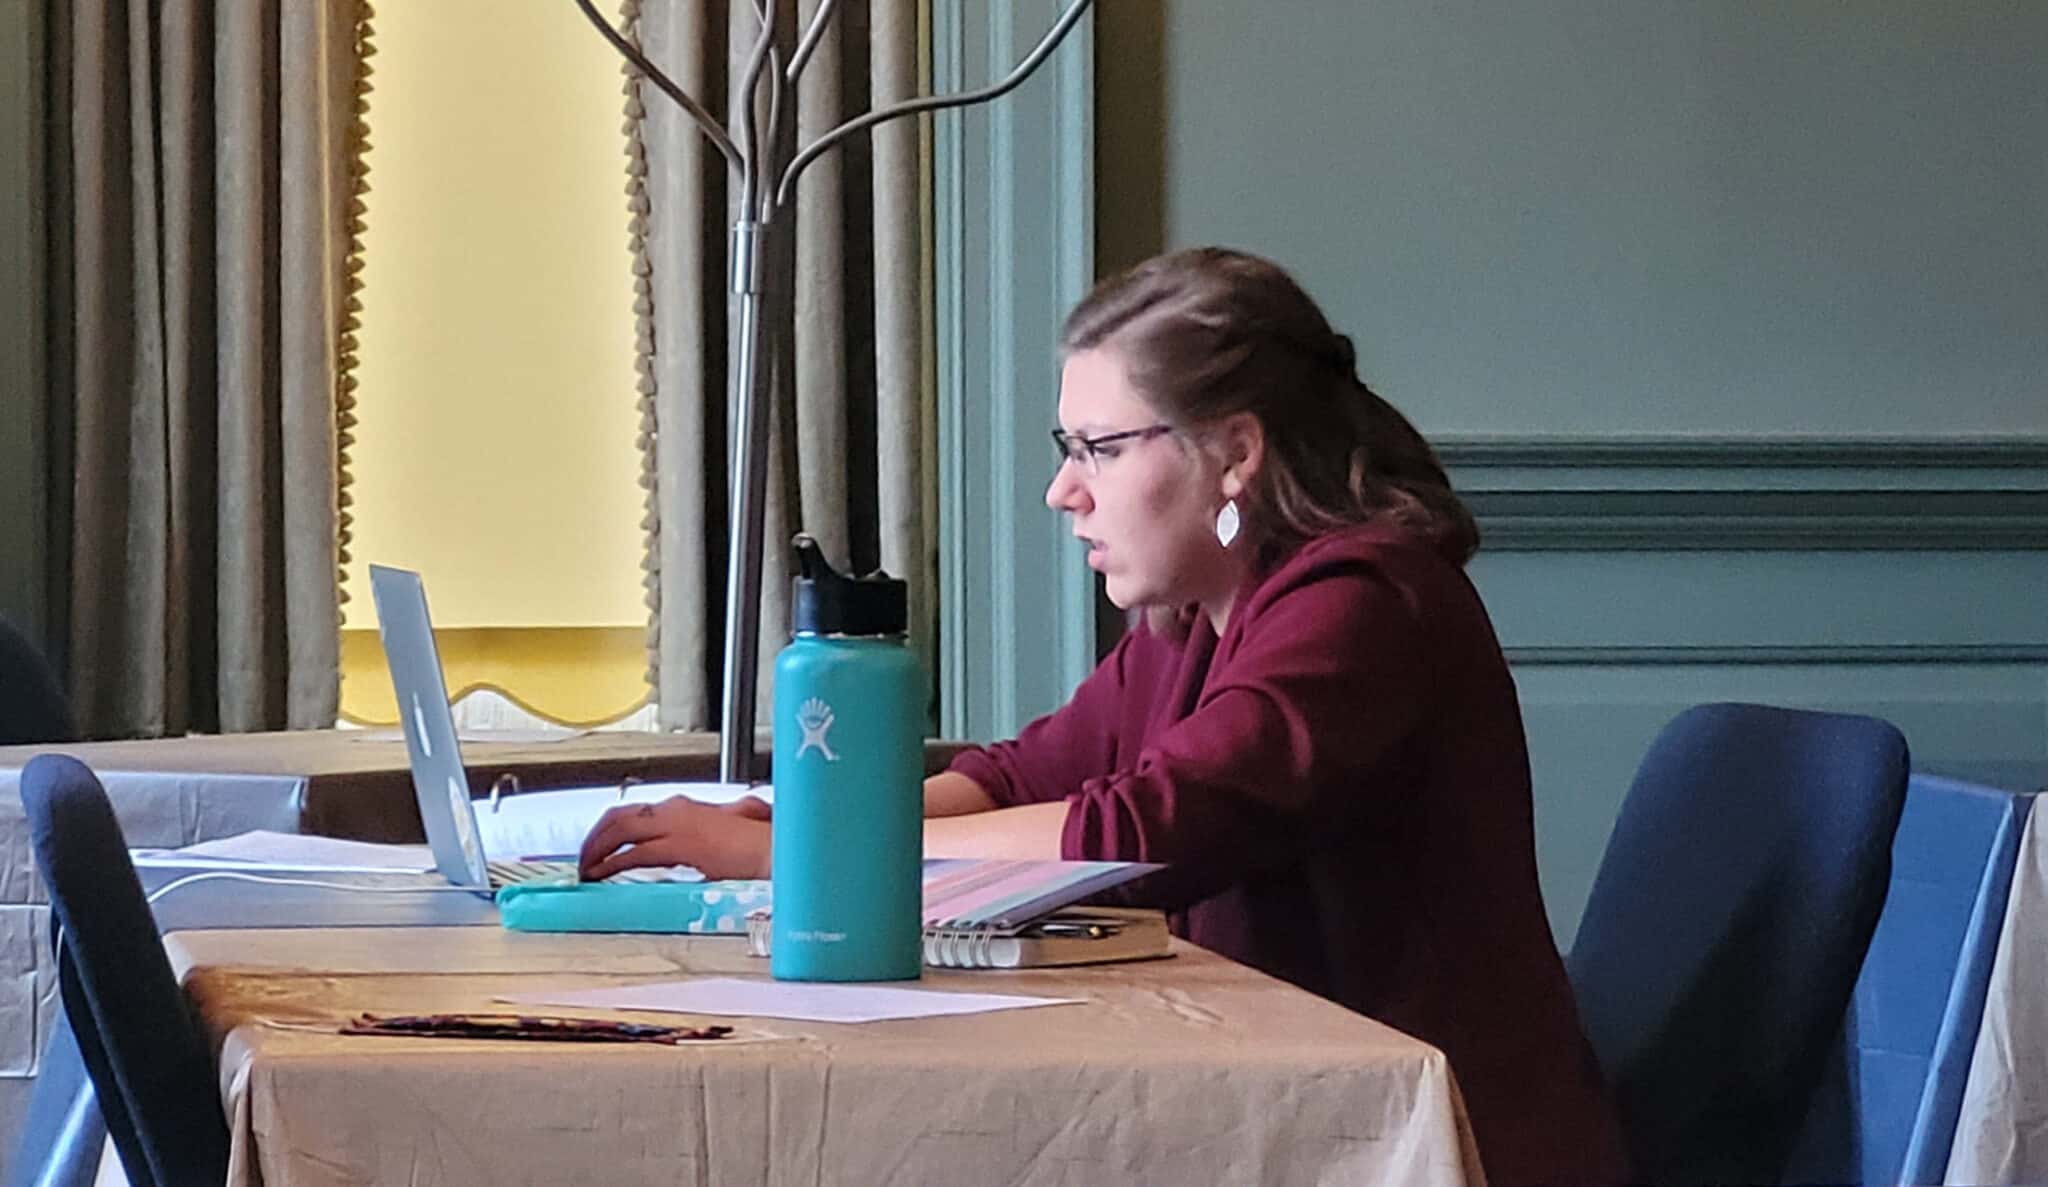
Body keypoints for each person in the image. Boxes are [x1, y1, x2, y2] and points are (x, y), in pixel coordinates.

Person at [580, 247, 1629, 1186]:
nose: (1060, 491)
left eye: (1099, 448)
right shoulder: (1194, 615)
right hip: (1287, 1107)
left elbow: (1150, 829)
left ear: (1234, 450)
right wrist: (786, 818)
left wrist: (815, 852)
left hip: (1428, 1143)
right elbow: (1026, 774)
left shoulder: (1365, 598)